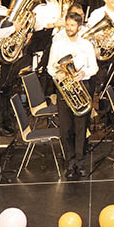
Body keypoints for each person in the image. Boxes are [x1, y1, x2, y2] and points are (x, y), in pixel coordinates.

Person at [47, 11, 98, 178]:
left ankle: (80, 161)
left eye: (72, 25)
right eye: (67, 25)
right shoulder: (58, 44)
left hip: (81, 86)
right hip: (64, 88)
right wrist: (57, 74)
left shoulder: (86, 45)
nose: (68, 28)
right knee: (66, 128)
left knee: (81, 127)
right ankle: (70, 162)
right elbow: (50, 67)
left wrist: (83, 74)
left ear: (79, 27)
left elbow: (94, 68)